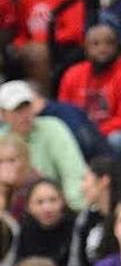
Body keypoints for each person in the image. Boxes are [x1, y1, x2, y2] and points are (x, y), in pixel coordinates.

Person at [57, 24, 121, 161]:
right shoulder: (72, 74)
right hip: (84, 134)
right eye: (95, 44)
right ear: (85, 49)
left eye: (108, 43)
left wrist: (90, 133)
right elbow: (63, 113)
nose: (102, 49)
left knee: (115, 139)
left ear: (117, 47)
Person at [0, 80, 87, 210]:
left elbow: (73, 172)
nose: (25, 115)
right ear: (3, 114)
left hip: (53, 206)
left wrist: (77, 207)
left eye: (27, 107)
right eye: (17, 110)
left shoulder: (53, 128)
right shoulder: (2, 139)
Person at [11, 0, 84, 90]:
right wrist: (19, 45)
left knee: (37, 52)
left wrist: (41, 42)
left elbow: (74, 32)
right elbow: (21, 32)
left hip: (63, 47)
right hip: (32, 47)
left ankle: (44, 100)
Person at [14, 179, 75, 266]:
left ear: (63, 201)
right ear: (28, 207)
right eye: (39, 202)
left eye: (53, 200)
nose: (47, 208)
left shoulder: (75, 227)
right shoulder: (24, 230)